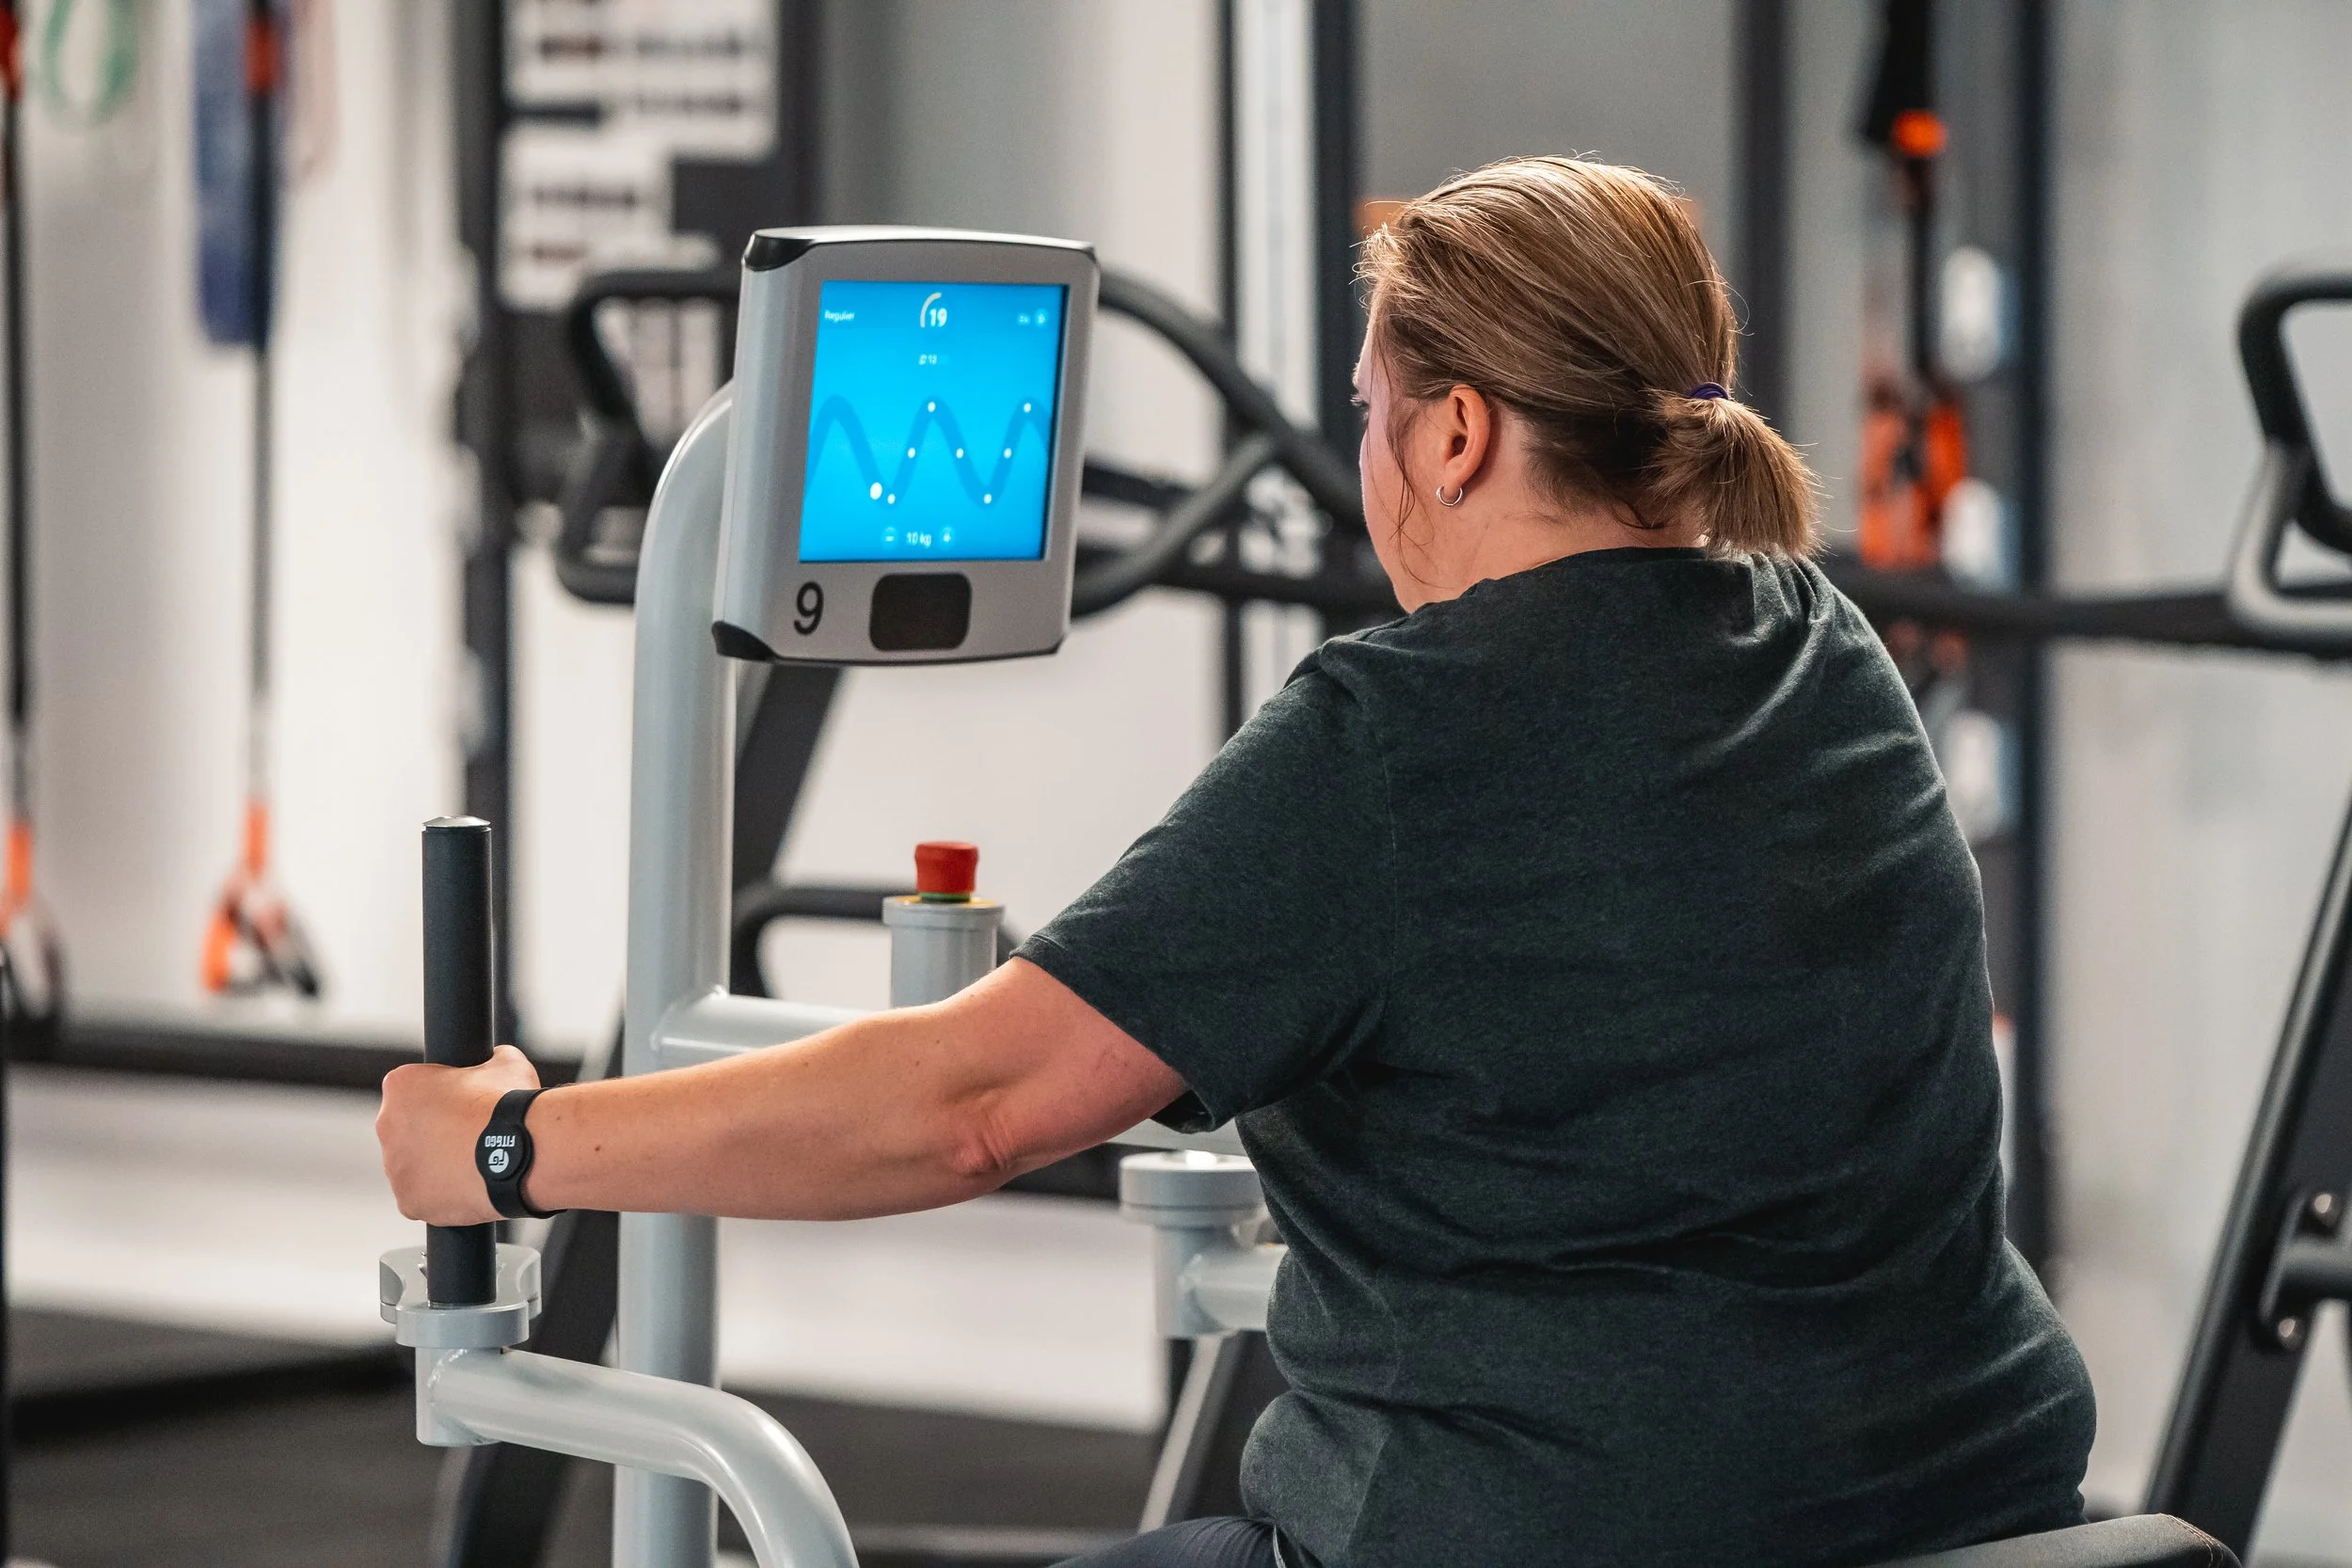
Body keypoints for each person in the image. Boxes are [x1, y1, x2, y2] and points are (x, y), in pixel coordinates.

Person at [378, 156, 2094, 1568]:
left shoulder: (1393, 739)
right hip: (1967, 1513)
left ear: (1460, 435)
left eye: (1373, 412)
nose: (1368, 464)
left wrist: (514, 1142)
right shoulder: (1827, 650)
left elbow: (964, 1107)